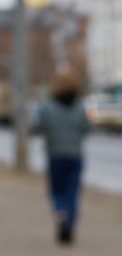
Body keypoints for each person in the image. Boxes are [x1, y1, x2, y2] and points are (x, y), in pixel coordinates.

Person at [35, 72, 91, 244]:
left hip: (55, 155)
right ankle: (69, 223)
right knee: (72, 192)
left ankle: (60, 212)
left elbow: (39, 127)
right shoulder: (81, 107)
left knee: (57, 190)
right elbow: (86, 129)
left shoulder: (47, 107)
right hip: (75, 155)